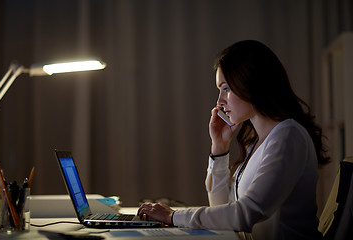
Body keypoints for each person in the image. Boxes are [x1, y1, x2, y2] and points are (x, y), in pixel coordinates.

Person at [137, 40, 328, 239]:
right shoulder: (258, 142)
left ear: (252, 84)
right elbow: (222, 209)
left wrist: (174, 216)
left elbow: (246, 214)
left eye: (226, 88)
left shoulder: (288, 136)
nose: (220, 101)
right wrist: (219, 148)